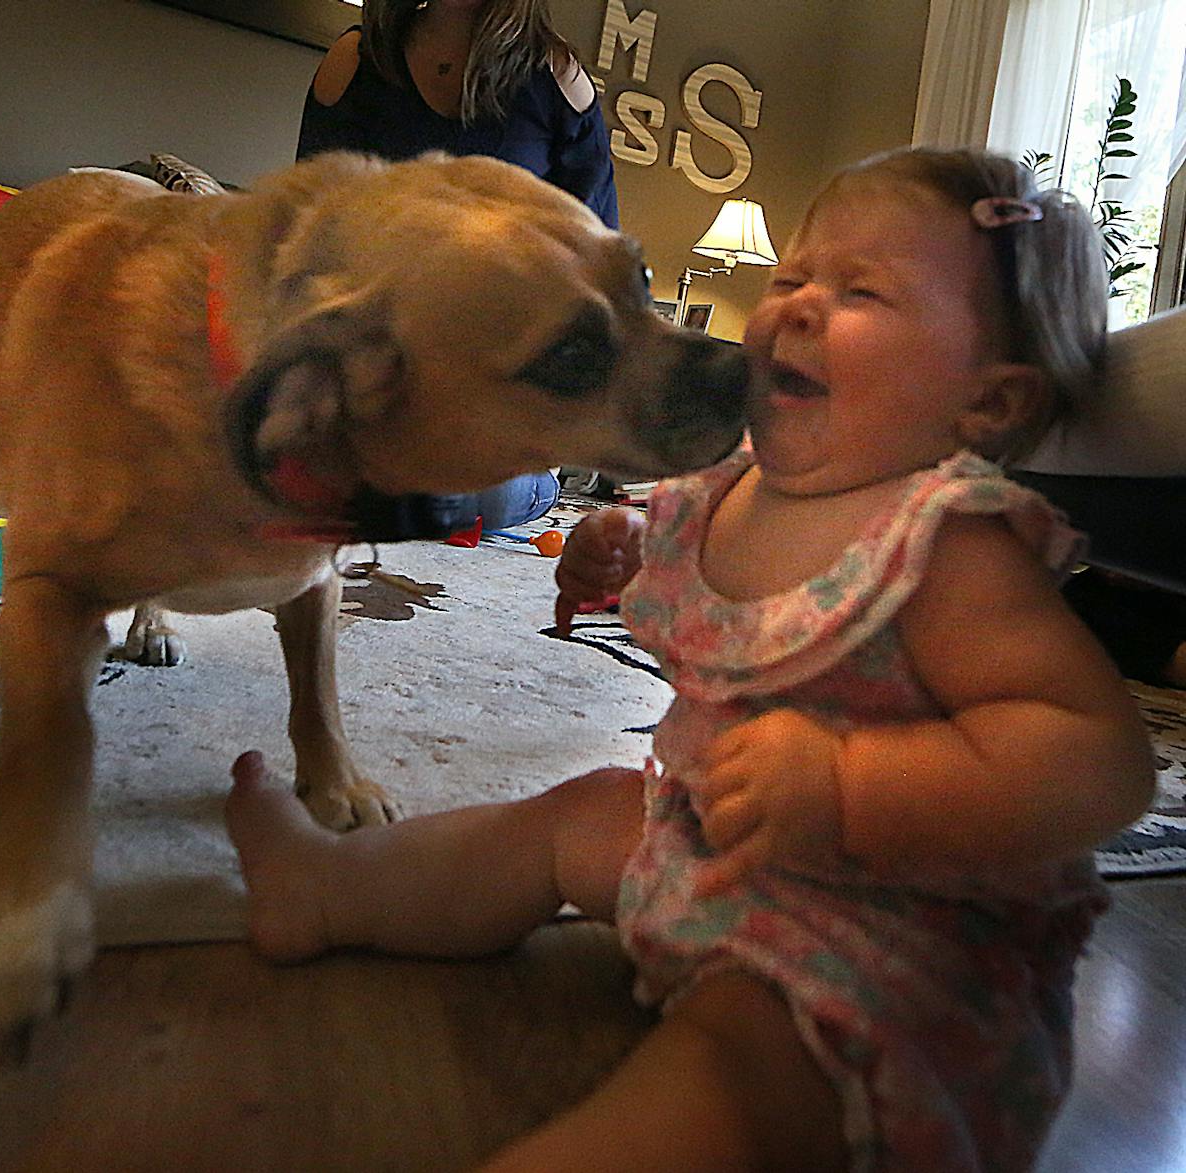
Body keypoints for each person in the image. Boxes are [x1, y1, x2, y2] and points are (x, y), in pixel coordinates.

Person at [224, 148, 1158, 1171]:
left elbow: (1095, 761)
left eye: (858, 293)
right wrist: (611, 561)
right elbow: (713, 618)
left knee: (728, 1065)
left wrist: (849, 785)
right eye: (793, 278)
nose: (796, 307)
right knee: (566, 818)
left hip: (880, 948)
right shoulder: (732, 486)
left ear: (984, 405)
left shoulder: (944, 546)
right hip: (713, 851)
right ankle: (327, 885)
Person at [297, 0, 619, 531]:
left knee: (479, 493)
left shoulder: (556, 79)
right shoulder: (355, 61)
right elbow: (307, 233)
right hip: (364, 375)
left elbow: (599, 265)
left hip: (495, 393)